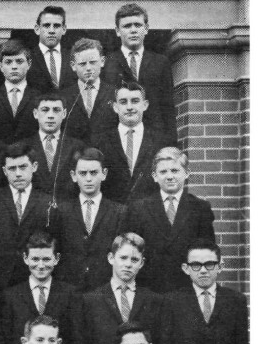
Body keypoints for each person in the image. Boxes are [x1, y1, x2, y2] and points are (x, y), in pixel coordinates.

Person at [122, 146, 216, 293]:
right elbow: (130, 252)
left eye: (175, 170)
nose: (169, 176)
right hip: (148, 290)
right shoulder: (138, 209)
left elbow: (207, 253)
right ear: (154, 176)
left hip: (187, 290)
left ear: (186, 173)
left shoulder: (200, 208)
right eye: (163, 172)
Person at [81, 232, 165, 344]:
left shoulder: (153, 300)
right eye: (123, 258)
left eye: (134, 259)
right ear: (111, 258)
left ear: (142, 263)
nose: (128, 264)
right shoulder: (91, 300)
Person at [1, 232, 83, 344]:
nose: (40, 265)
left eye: (46, 259)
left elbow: (77, 339)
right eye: (35, 259)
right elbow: (5, 340)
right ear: (25, 258)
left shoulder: (70, 294)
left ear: (56, 259)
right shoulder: (11, 295)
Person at [101, 3, 177, 145]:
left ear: (146, 28)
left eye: (137, 25)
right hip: (117, 140)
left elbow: (168, 108)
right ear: (117, 31)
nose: (133, 30)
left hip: (154, 140)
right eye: (127, 26)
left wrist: (170, 145)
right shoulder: (107, 63)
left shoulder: (160, 63)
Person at [0, 142, 54, 286]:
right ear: (4, 171)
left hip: (35, 279)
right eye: (12, 168)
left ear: (34, 167)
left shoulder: (48, 202)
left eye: (23, 167)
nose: (18, 174)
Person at [53, 147, 126, 291]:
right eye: (82, 173)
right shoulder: (61, 211)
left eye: (93, 173)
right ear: (73, 176)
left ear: (104, 174)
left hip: (105, 288)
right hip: (69, 288)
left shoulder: (119, 212)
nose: (88, 179)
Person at [92, 81, 164, 203]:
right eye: (123, 102)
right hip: (112, 211)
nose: (129, 107)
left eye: (135, 101)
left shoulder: (160, 141)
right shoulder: (100, 142)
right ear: (115, 107)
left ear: (145, 105)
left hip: (149, 210)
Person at [21, 92, 83, 201]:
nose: (50, 115)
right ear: (35, 113)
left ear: (64, 113)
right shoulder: (23, 147)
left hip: (66, 206)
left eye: (56, 110)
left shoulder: (77, 146)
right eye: (45, 110)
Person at [60, 38, 118, 144]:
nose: (88, 68)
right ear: (73, 66)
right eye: (82, 64)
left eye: (93, 62)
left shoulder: (115, 94)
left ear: (102, 61)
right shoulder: (63, 96)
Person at [0, 40, 40, 144]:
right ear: (0, 66)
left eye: (19, 61)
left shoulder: (40, 96)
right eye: (8, 62)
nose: (14, 67)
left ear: (29, 64)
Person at [27, 5, 75, 93]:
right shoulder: (27, 57)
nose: (51, 31)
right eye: (46, 25)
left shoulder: (72, 57)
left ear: (64, 29)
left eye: (56, 26)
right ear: (37, 29)